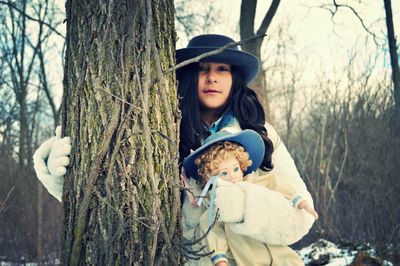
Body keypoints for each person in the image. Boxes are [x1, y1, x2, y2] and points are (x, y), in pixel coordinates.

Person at [33, 34, 316, 263]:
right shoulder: (159, 131)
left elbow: (301, 219)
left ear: (235, 78)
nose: (212, 77)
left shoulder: (259, 134)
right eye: (203, 68)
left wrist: (241, 204)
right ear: (190, 75)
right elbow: (116, 202)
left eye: (222, 69)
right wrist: (62, 178)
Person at [181, 129, 317, 265]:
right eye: (223, 173)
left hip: (274, 251)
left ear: (242, 166)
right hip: (247, 257)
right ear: (211, 177)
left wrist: (298, 200)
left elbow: (274, 183)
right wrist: (219, 258)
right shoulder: (218, 202)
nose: (232, 176)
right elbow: (213, 229)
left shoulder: (252, 182)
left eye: (235, 169)